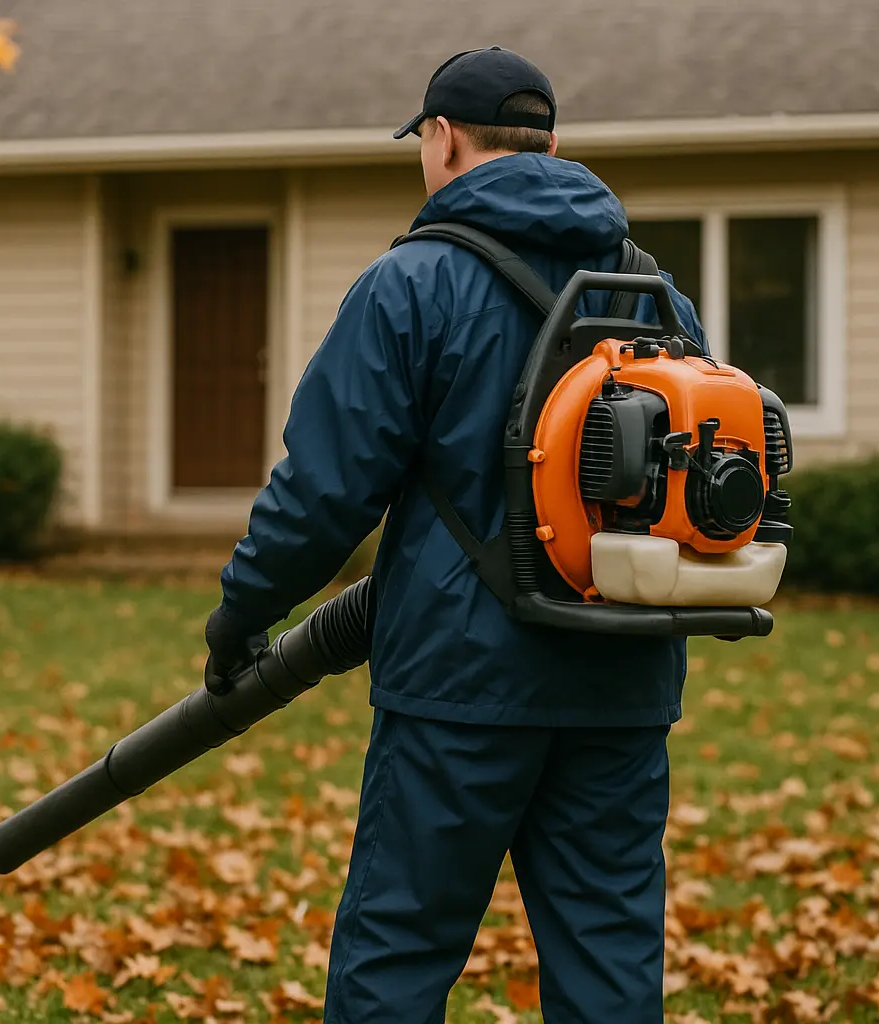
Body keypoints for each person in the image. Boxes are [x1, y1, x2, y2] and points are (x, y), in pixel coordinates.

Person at [202, 47, 707, 1023]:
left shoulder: (411, 287)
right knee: (611, 966)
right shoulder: (655, 296)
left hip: (457, 692)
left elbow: (321, 493)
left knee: (398, 953)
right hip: (623, 685)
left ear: (440, 141)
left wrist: (241, 619)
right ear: (552, 147)